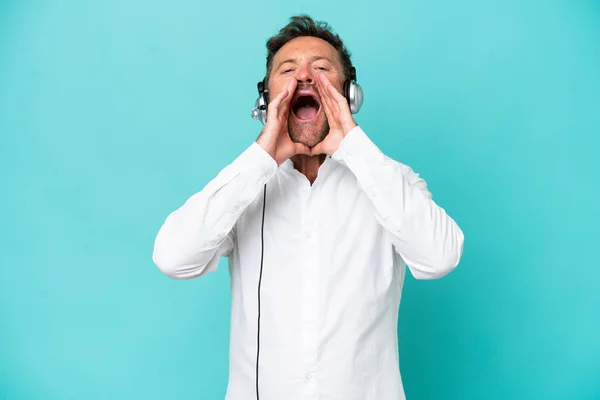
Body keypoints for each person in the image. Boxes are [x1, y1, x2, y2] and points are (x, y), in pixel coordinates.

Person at [152, 14, 464, 400]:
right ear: (265, 100)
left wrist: (353, 146)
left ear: (350, 94)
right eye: (287, 70)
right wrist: (260, 158)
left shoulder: (390, 179)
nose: (305, 77)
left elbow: (440, 258)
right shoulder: (243, 186)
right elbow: (173, 258)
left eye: (321, 68)